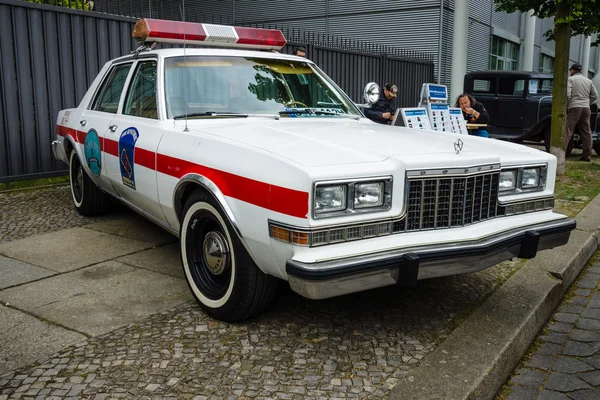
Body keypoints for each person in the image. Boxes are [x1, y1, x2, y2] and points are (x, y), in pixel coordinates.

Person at [566, 63, 598, 162]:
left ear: (572, 71)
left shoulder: (570, 79)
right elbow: (595, 95)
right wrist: (587, 103)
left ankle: (562, 153)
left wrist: (567, 104)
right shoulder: (588, 81)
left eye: (570, 70)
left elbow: (567, 94)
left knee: (567, 130)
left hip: (574, 107)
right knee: (586, 132)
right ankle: (587, 155)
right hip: (586, 108)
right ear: (580, 71)